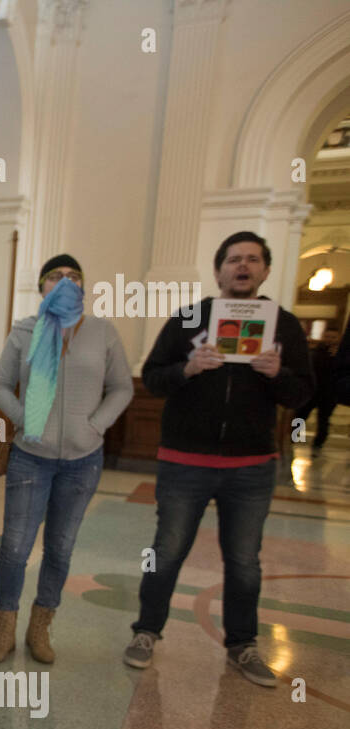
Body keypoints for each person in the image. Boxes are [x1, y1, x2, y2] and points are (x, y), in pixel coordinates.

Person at [124, 231, 313, 685]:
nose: (242, 266)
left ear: (266, 270)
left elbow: (303, 391)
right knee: (164, 552)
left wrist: (277, 374)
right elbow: (152, 378)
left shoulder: (283, 324)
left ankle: (242, 644)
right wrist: (187, 368)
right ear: (218, 270)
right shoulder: (189, 317)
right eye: (233, 259)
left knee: (245, 560)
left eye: (252, 260)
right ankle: (146, 631)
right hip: (185, 460)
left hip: (250, 466)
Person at [0, 254, 133, 663]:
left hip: (83, 460)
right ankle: (4, 627)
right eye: (55, 276)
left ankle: (40, 626)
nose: (65, 282)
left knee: (60, 549)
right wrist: (25, 420)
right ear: (42, 287)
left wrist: (95, 425)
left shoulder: (102, 332)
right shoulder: (24, 331)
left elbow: (121, 387)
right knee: (14, 548)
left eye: (73, 277)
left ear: (83, 287)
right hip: (31, 458)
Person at [294, 327, 340, 456]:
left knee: (323, 419)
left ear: (338, 338)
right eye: (327, 336)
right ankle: (294, 438)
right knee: (300, 415)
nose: (329, 340)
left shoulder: (341, 355)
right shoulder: (315, 351)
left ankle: (318, 443)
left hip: (329, 394)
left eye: (333, 337)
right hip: (312, 391)